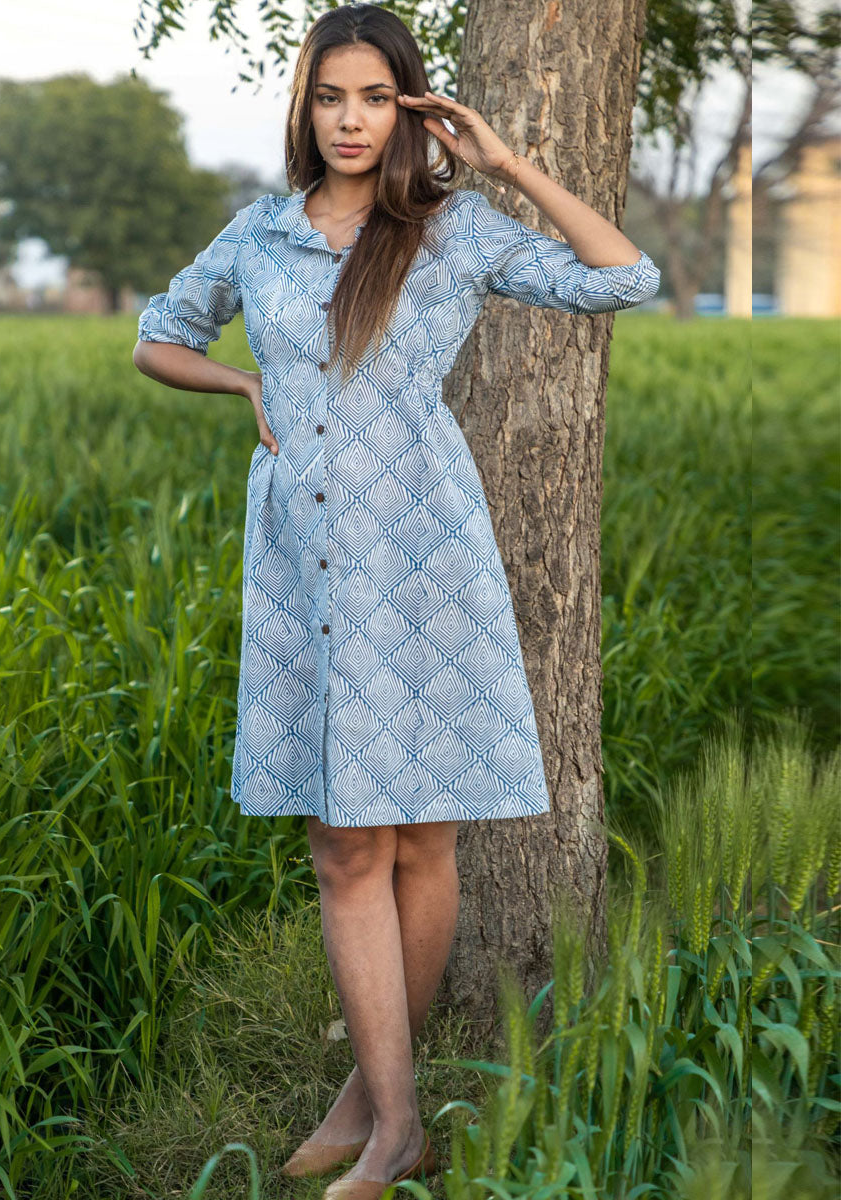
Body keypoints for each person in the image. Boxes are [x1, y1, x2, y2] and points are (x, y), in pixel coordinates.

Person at [133, 5, 659, 1197]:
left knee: (421, 831)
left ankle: (376, 1112)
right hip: (302, 558)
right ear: (305, 108)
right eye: (332, 97)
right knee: (341, 839)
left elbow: (629, 279)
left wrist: (508, 163)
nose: (352, 119)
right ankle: (391, 1112)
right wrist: (238, 381)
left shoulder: (452, 230)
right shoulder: (260, 235)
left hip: (423, 555)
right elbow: (156, 336)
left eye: (375, 97)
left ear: (410, 107)